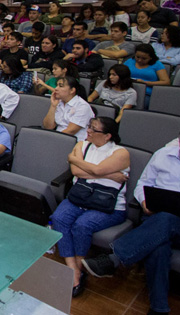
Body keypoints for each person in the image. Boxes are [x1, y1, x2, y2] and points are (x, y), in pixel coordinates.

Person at [82, 125, 180, 315]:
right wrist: (144, 201)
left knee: (167, 219)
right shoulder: (163, 155)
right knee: (158, 247)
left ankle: (115, 259)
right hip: (155, 222)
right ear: (179, 143)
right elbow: (143, 184)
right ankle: (159, 309)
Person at [51, 116, 130, 298]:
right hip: (81, 197)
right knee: (58, 218)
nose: (89, 131)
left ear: (108, 135)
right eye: (89, 127)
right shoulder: (82, 145)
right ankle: (74, 269)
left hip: (108, 205)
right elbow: (76, 171)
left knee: (82, 225)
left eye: (94, 129)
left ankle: (78, 269)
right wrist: (110, 175)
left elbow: (95, 170)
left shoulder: (120, 153)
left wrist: (74, 159)